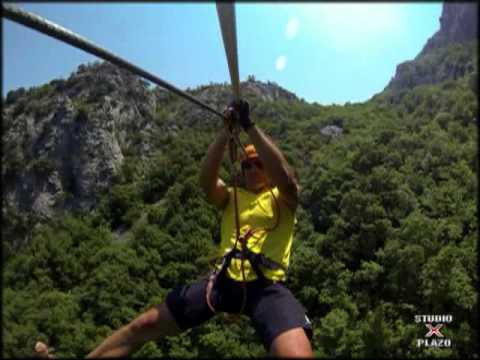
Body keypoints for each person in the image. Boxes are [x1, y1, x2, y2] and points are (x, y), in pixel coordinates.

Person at [35, 100, 313, 358]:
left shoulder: (282, 198)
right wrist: (223, 134)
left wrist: (249, 126)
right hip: (223, 282)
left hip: (265, 286)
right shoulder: (232, 197)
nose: (251, 168)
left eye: (258, 163)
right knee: (144, 325)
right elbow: (206, 181)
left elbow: (286, 178)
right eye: (246, 164)